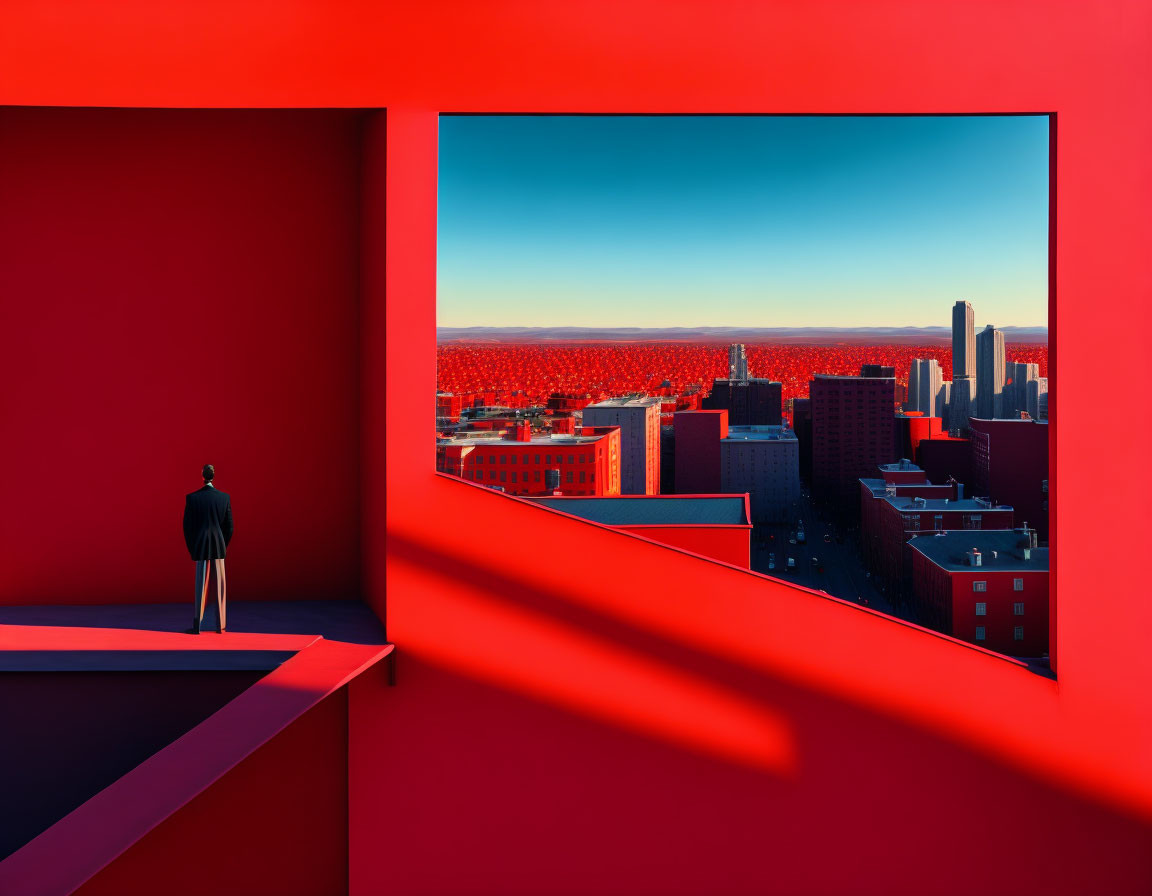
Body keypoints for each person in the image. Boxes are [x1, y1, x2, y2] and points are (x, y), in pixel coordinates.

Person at [182, 464, 233, 634]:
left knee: (200, 587)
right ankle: (221, 626)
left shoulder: (193, 498)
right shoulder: (224, 497)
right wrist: (222, 545)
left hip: (201, 544)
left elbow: (187, 527)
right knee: (221, 587)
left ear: (202, 476)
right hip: (218, 544)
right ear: (214, 476)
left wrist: (193, 547)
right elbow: (229, 527)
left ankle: (198, 625)